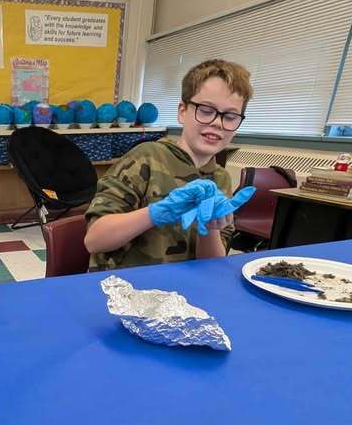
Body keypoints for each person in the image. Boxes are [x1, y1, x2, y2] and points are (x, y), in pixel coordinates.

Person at [83, 59, 256, 271]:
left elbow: (212, 266)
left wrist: (210, 228)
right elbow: (94, 239)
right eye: (205, 110)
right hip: (124, 291)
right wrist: (155, 213)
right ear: (182, 111)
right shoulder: (146, 157)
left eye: (230, 116)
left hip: (181, 294)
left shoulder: (220, 179)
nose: (217, 123)